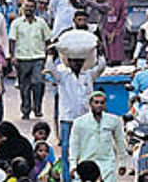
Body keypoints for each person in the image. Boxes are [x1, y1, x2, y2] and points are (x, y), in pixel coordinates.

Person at [45, 44, 106, 182]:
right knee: (67, 150)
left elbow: (101, 67)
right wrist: (50, 55)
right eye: (73, 61)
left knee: (86, 149)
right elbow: (50, 69)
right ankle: (67, 178)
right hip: (68, 118)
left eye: (79, 61)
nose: (77, 64)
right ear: (68, 61)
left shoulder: (88, 75)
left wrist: (101, 54)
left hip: (85, 118)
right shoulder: (63, 75)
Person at [68, 91, 126, 182]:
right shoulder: (79, 122)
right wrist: (73, 165)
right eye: (96, 102)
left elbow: (120, 142)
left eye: (102, 103)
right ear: (90, 104)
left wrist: (122, 162)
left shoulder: (114, 120)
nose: (99, 105)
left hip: (107, 165)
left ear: (105, 104)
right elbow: (74, 144)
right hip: (87, 165)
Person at [9, 0, 51, 119]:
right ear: (23, 8)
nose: (28, 9)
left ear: (35, 8)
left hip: (38, 58)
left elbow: (47, 40)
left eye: (31, 6)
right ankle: (25, 110)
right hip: (22, 58)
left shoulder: (41, 23)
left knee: (38, 83)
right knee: (24, 86)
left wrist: (48, 56)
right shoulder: (17, 23)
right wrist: (12, 56)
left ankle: (37, 107)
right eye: (26, 6)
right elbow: (12, 40)